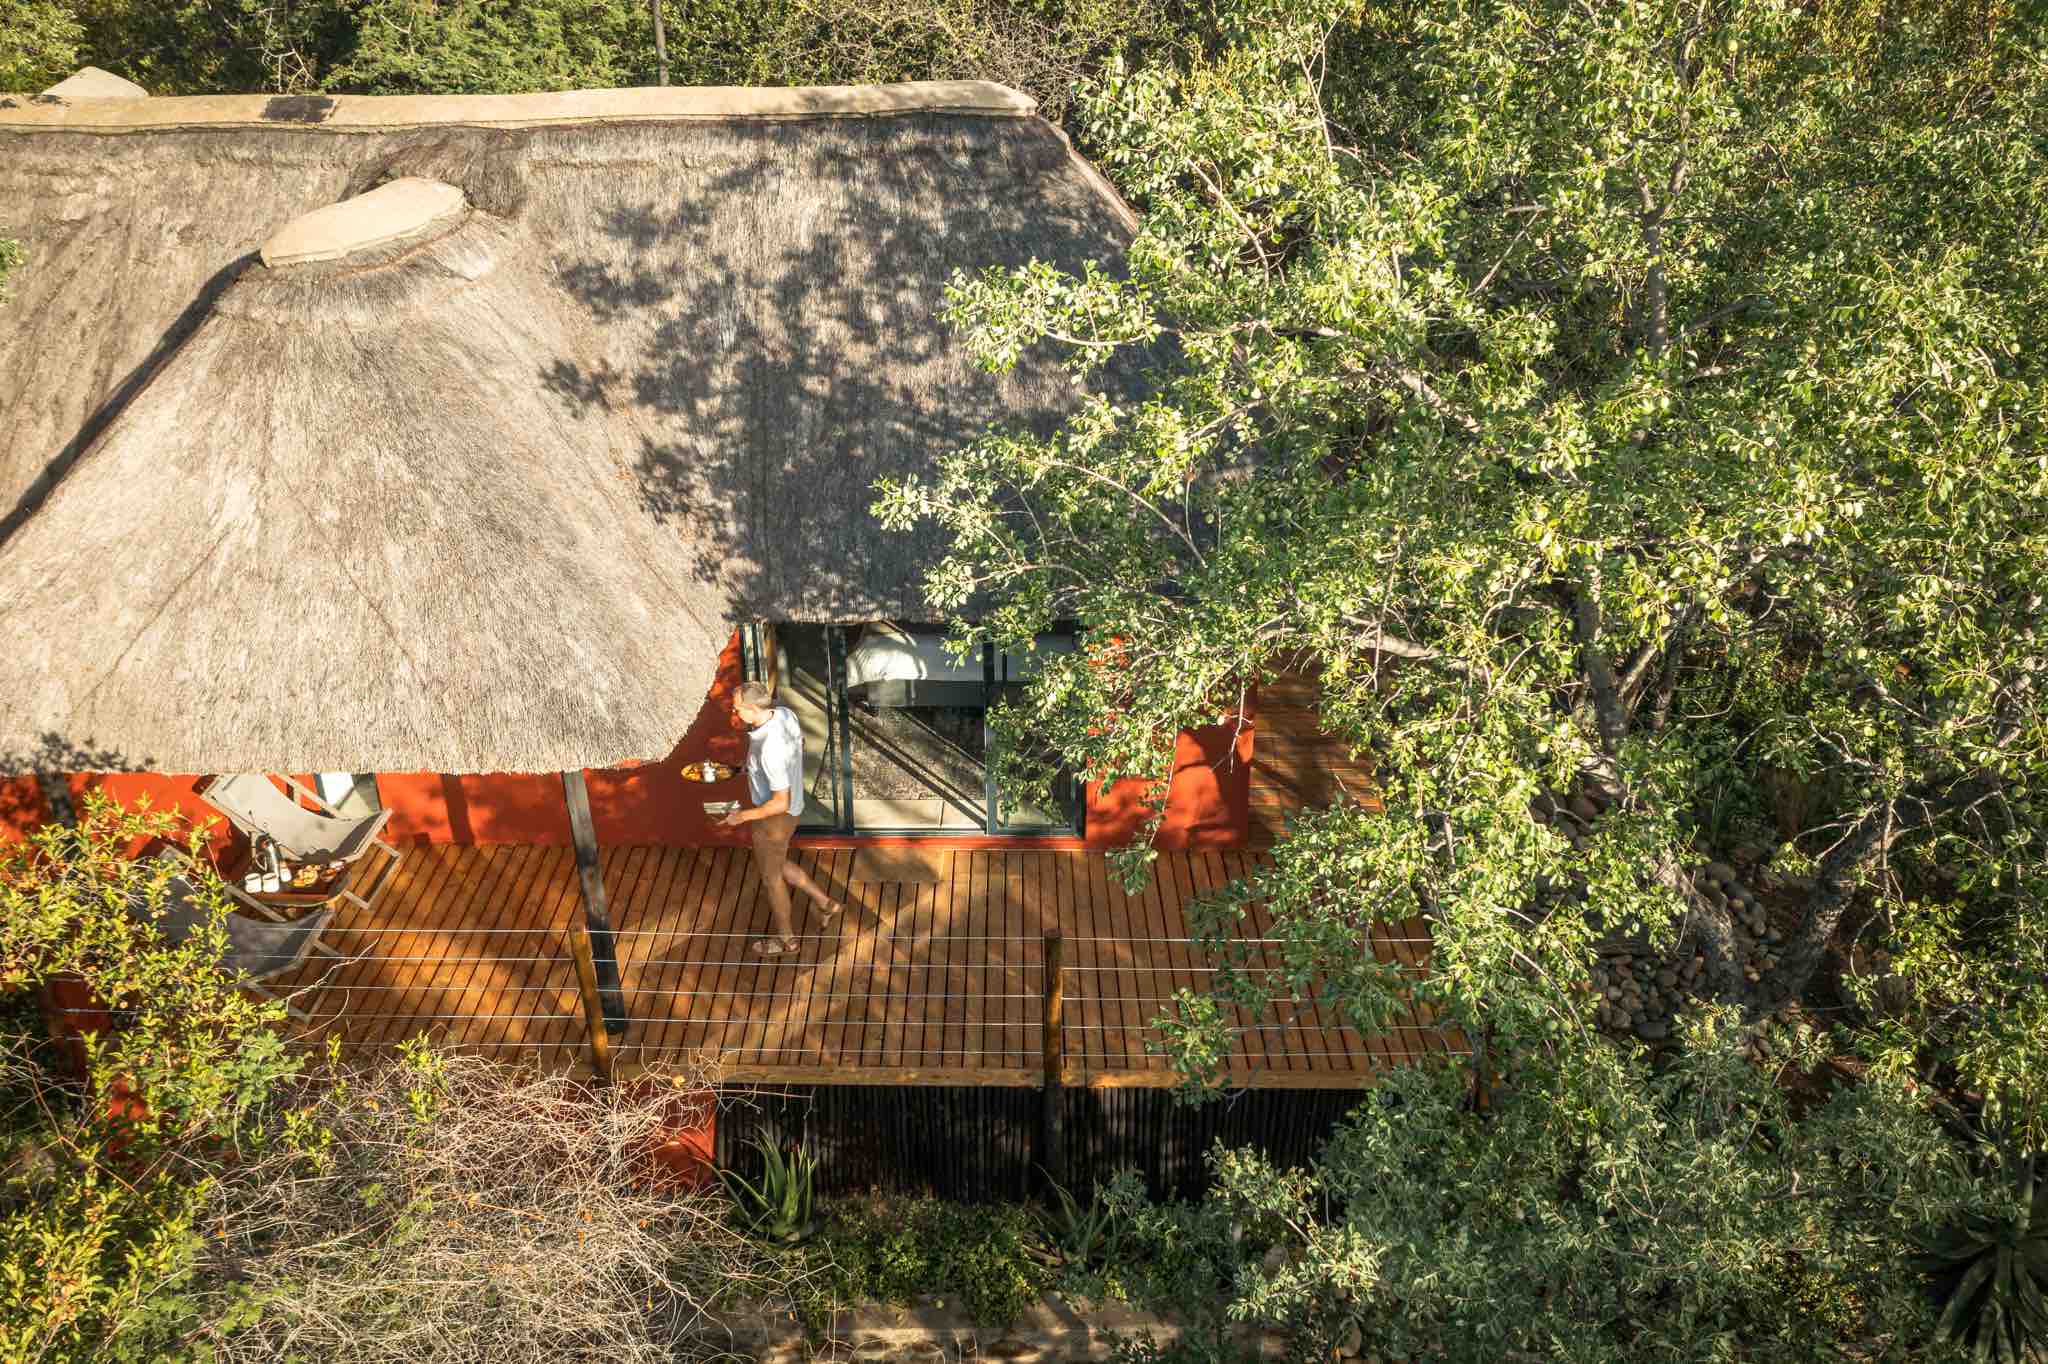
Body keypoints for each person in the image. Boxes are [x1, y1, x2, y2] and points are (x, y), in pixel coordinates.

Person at [718, 680, 843, 956]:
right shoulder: (784, 714)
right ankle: (826, 903)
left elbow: (779, 802)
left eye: (737, 709)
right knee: (776, 863)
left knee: (771, 878)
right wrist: (748, 770)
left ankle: (787, 941)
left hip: (775, 818)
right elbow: (800, 743)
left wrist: (742, 817)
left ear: (752, 708)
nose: (734, 713)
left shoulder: (769, 751)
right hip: (792, 810)